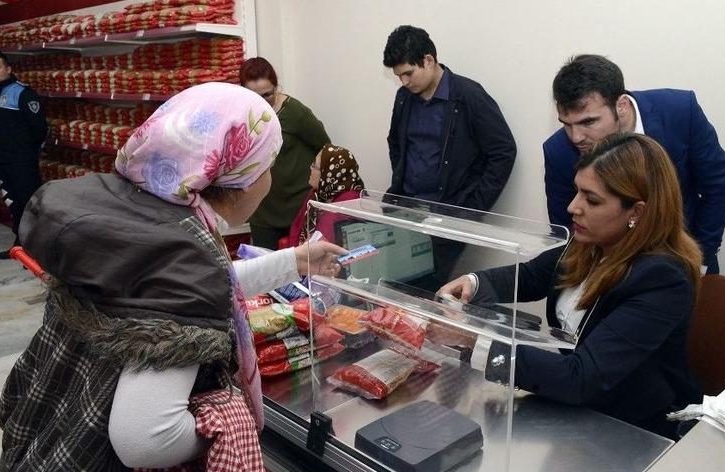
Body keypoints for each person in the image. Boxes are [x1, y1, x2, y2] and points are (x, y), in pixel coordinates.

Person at [0, 83, 346, 472]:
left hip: (46, 443)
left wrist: (294, 261)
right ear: (243, 176)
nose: (271, 178)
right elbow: (144, 438)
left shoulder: (142, 212)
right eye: (268, 165)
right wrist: (228, 425)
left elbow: (188, 288)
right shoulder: (185, 257)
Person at [439, 133, 702, 439]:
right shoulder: (591, 243)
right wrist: (473, 283)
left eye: (592, 200)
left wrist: (475, 340)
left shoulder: (662, 280)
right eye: (577, 191)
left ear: (637, 212)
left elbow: (581, 377)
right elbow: (531, 275)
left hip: (630, 429)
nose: (573, 207)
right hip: (573, 409)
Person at [542, 54, 725, 273]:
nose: (576, 137)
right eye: (567, 124)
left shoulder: (680, 111)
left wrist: (699, 261)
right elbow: (567, 230)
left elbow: (717, 188)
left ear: (621, 105)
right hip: (606, 272)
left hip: (685, 261)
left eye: (588, 122)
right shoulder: (558, 152)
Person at [383, 25, 516, 289]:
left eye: (408, 73)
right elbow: (395, 142)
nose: (404, 82)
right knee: (392, 285)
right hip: (407, 211)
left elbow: (503, 151)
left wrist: (472, 208)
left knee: (423, 291)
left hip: (447, 218)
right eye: (399, 76)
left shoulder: (468, 95)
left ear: (428, 60)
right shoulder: (404, 97)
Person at [240, 57, 332, 249]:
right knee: (266, 264)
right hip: (262, 210)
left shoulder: (295, 113)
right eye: (254, 96)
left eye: (267, 94)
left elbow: (325, 148)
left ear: (276, 88)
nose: (261, 101)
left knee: (302, 263)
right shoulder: (240, 115)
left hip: (297, 208)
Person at [0, 51, 47, 257]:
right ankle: (21, 245)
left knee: (29, 202)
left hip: (21, 160)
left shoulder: (22, 93)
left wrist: (27, 152)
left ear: (8, 69)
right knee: (13, 201)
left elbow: (39, 127)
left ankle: (38, 248)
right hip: (0, 159)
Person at [288, 144, 365, 246]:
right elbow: (296, 227)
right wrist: (294, 252)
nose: (310, 168)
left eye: (314, 165)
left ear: (329, 173)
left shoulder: (349, 202)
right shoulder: (317, 194)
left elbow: (324, 240)